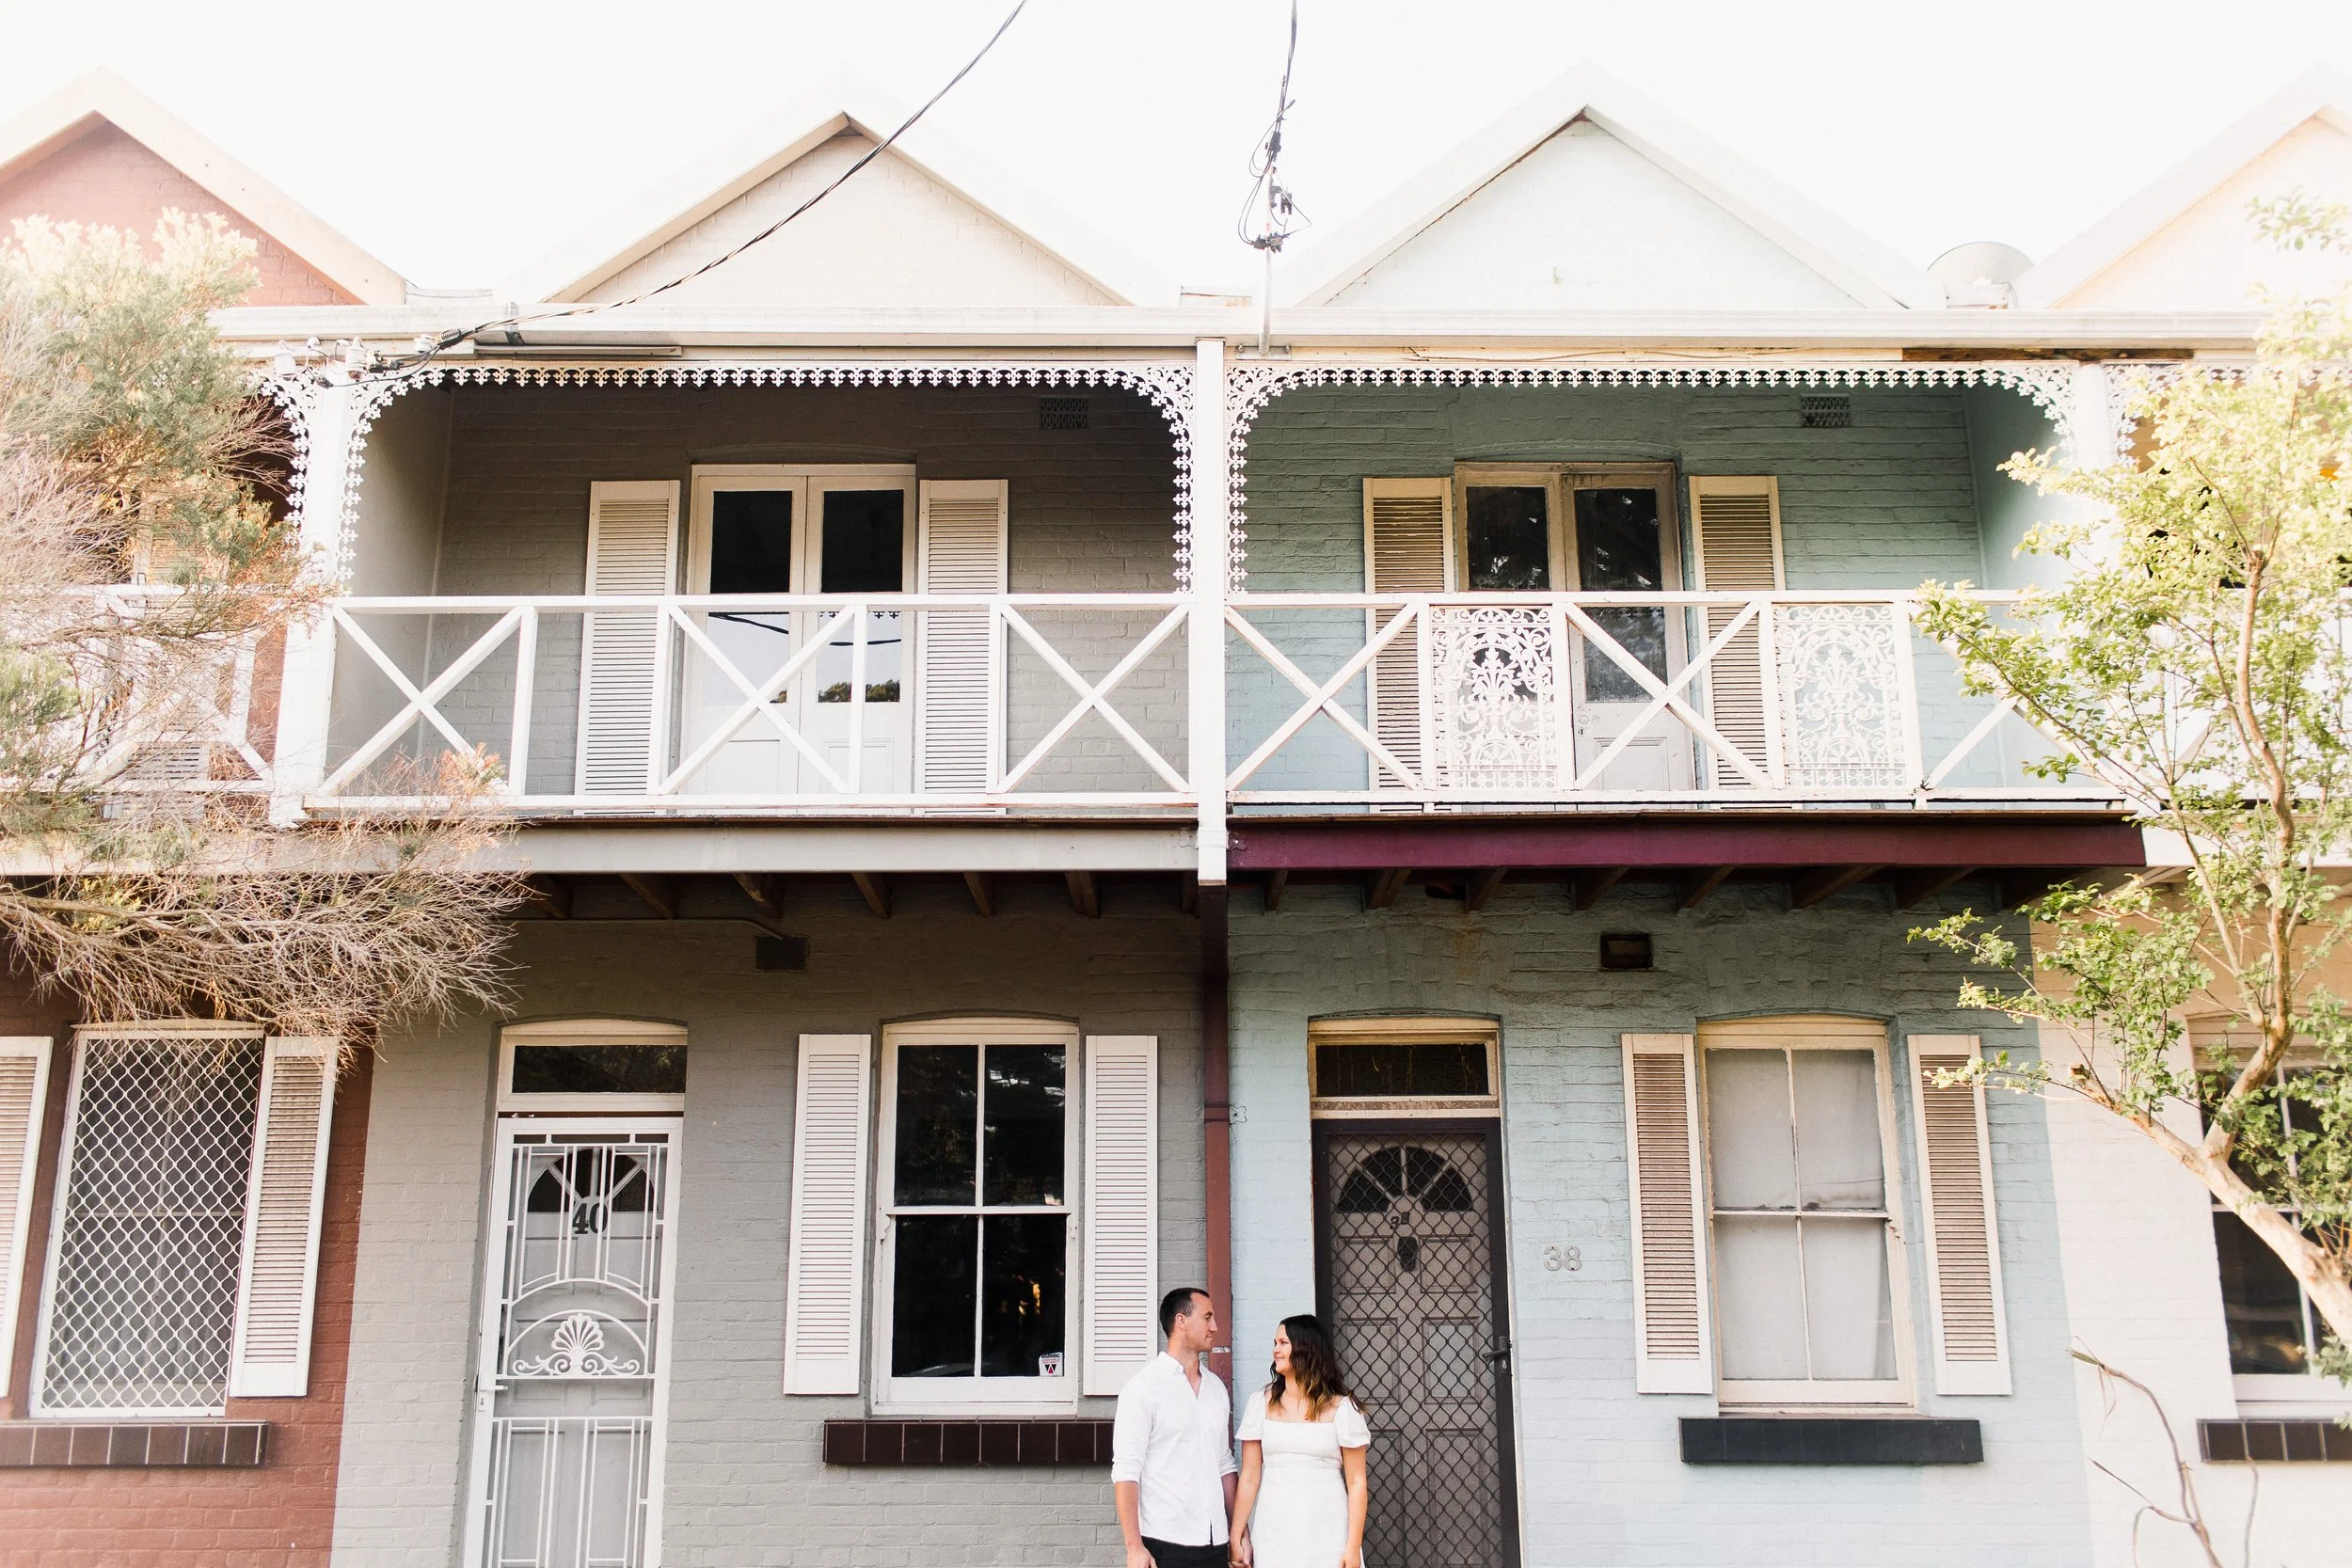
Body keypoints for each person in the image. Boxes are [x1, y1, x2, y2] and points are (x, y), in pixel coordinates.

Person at [1112, 1287, 1240, 1568]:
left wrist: (1238, 1532)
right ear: (1181, 1321)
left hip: (1216, 1542)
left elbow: (1223, 1464)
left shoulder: (1216, 1389)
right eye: (1208, 1317)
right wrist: (1134, 1547)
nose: (1215, 1327)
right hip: (1164, 1542)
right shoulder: (1143, 1388)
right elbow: (1126, 1469)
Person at [1228, 1314, 1370, 1568]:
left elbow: (1357, 1482)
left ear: (1306, 1347)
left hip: (1328, 1530)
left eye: (1283, 1342)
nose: (1275, 1350)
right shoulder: (1260, 1402)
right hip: (1274, 1529)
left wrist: (1353, 1545)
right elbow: (1249, 1476)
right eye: (1275, 1342)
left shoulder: (1344, 1408)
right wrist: (1236, 1535)